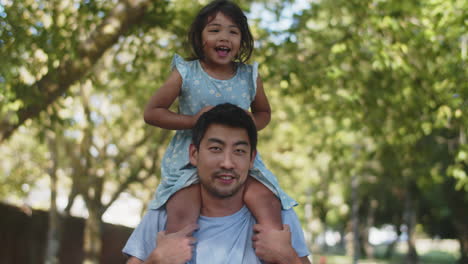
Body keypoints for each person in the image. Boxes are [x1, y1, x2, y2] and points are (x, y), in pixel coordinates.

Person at [143, 0, 296, 237]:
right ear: (199, 37)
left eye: (233, 32)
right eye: (214, 30)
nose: (224, 37)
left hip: (236, 158)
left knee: (266, 199)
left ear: (242, 41)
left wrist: (249, 125)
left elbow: (264, 113)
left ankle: (276, 246)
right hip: (191, 158)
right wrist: (193, 121)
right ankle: (173, 250)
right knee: (182, 207)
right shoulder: (186, 72)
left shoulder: (249, 76)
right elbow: (152, 112)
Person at [123, 103, 311, 264]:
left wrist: (289, 259)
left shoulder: (280, 217)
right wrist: (155, 260)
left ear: (252, 158)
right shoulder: (163, 214)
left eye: (239, 151)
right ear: (194, 154)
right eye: (216, 148)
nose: (227, 163)